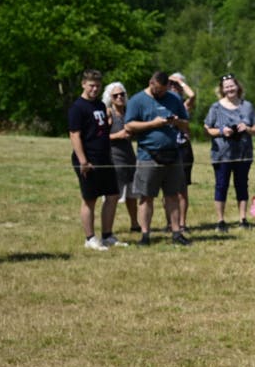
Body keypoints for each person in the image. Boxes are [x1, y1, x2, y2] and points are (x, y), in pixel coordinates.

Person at [125, 71, 191, 246]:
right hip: (148, 156)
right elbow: (129, 124)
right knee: (146, 197)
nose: (161, 94)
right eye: (158, 90)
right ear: (151, 83)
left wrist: (176, 122)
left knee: (173, 196)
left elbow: (186, 122)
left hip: (173, 154)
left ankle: (177, 232)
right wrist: (153, 124)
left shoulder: (174, 99)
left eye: (164, 91)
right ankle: (145, 235)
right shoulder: (137, 100)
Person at [68, 69, 122, 251]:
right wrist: (83, 161)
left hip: (104, 157)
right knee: (90, 199)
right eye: (91, 85)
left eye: (98, 86)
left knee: (113, 195)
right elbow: (75, 135)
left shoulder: (99, 105)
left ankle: (107, 235)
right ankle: (90, 238)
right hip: (88, 159)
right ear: (83, 84)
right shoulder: (77, 107)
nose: (94, 89)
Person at [204, 74, 255, 231]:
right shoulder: (215, 107)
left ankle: (243, 218)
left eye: (232, 85)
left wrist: (246, 128)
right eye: (226, 86)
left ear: (237, 86)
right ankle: (220, 221)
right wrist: (222, 131)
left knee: (242, 185)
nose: (230, 89)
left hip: (243, 154)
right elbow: (207, 130)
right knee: (221, 186)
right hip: (222, 155)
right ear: (222, 89)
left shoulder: (247, 106)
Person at [103, 81, 139, 234]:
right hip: (114, 158)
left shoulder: (129, 113)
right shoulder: (108, 113)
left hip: (130, 158)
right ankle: (107, 229)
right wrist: (118, 135)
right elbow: (100, 137)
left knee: (132, 194)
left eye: (122, 94)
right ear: (110, 98)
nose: (119, 97)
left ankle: (135, 223)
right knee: (113, 196)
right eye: (115, 95)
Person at [167, 73, 197, 230]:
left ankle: (182, 222)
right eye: (170, 83)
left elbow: (192, 95)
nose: (173, 86)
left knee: (182, 188)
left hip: (183, 147)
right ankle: (170, 222)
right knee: (167, 188)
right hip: (167, 147)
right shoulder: (163, 102)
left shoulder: (184, 105)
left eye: (176, 84)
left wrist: (180, 82)